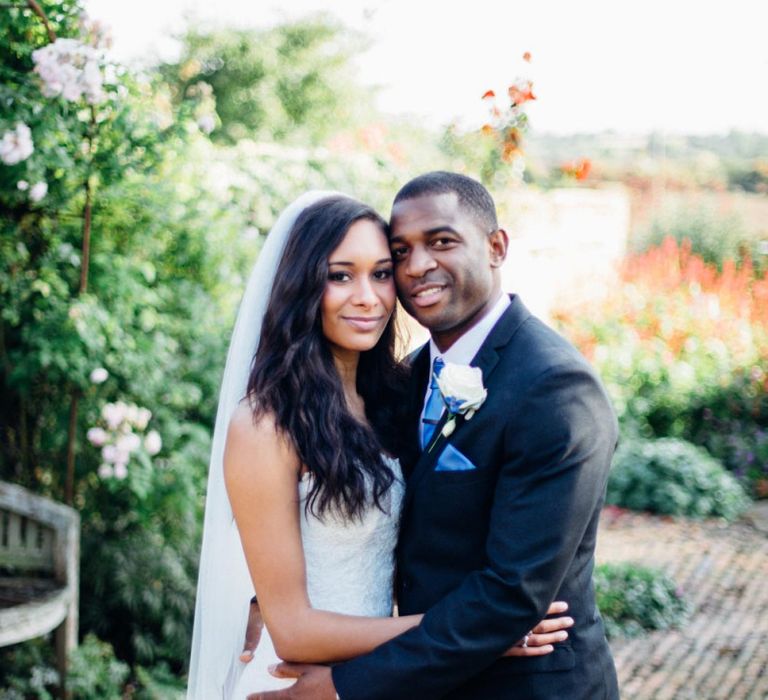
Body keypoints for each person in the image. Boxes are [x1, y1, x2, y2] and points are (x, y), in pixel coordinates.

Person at [248, 172, 620, 700]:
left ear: (496, 247)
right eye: (400, 252)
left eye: (441, 242)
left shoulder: (555, 388)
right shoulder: (407, 378)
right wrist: (264, 599)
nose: (417, 266)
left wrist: (342, 688)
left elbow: (512, 598)